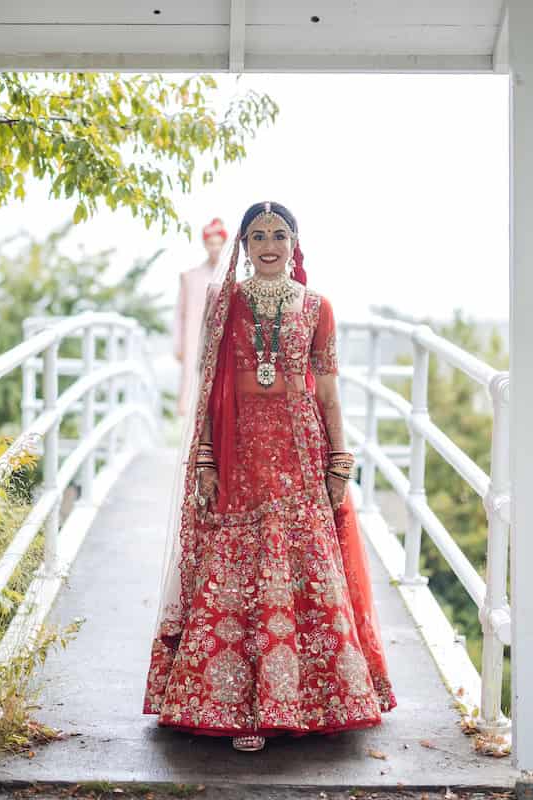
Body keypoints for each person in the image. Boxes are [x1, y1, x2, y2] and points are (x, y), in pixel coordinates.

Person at [144, 202, 396, 753]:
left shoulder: (316, 306)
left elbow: (328, 390)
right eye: (257, 235)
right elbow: (210, 387)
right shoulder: (223, 302)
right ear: (242, 243)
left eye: (279, 235)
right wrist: (206, 457)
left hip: (301, 448)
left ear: (295, 243)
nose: (268, 244)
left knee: (305, 564)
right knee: (233, 563)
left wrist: (340, 459)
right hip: (239, 449)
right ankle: (239, 708)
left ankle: (316, 700)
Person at [173, 218, 228, 415]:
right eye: (211, 243)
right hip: (195, 338)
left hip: (221, 337)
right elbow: (180, 313)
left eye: (218, 244)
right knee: (192, 385)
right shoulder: (190, 277)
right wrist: (178, 344)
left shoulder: (229, 278)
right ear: (205, 245)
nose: (214, 248)